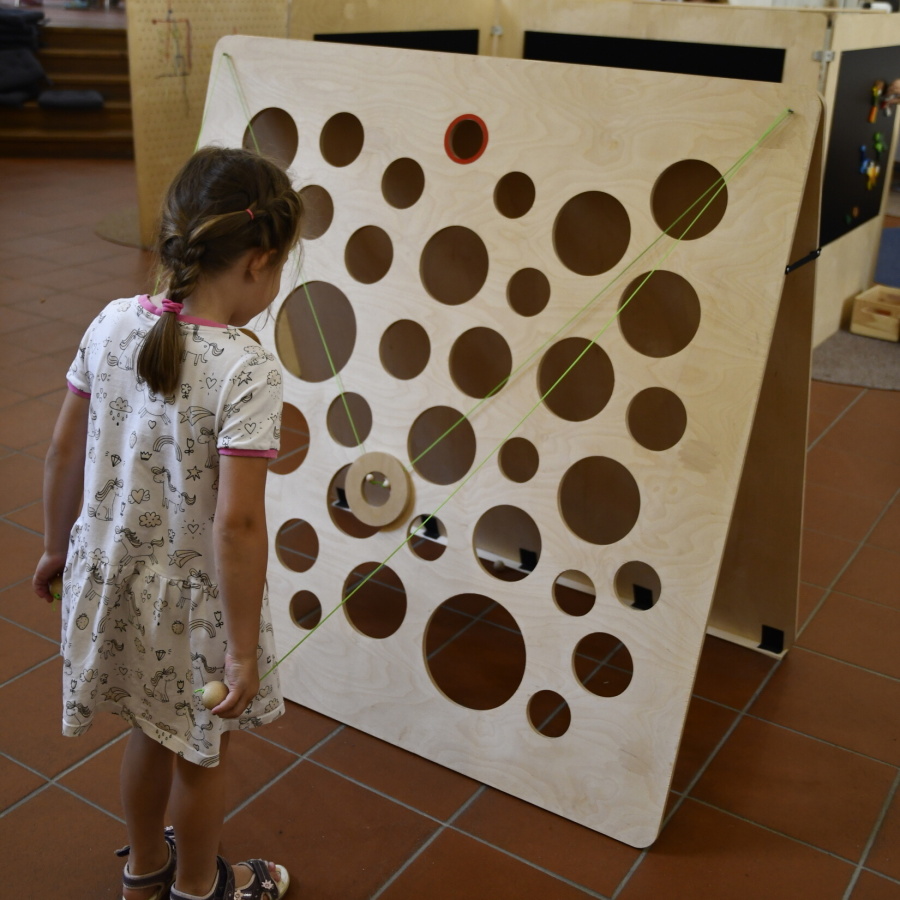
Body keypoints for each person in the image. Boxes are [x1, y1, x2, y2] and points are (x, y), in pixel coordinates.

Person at [33, 145, 303, 900]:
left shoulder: (113, 321)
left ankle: (144, 872)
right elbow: (237, 526)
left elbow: (62, 452)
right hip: (193, 609)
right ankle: (198, 888)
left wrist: (55, 547)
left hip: (112, 580)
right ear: (259, 260)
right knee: (200, 755)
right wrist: (242, 653)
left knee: (147, 734)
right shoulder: (246, 368)